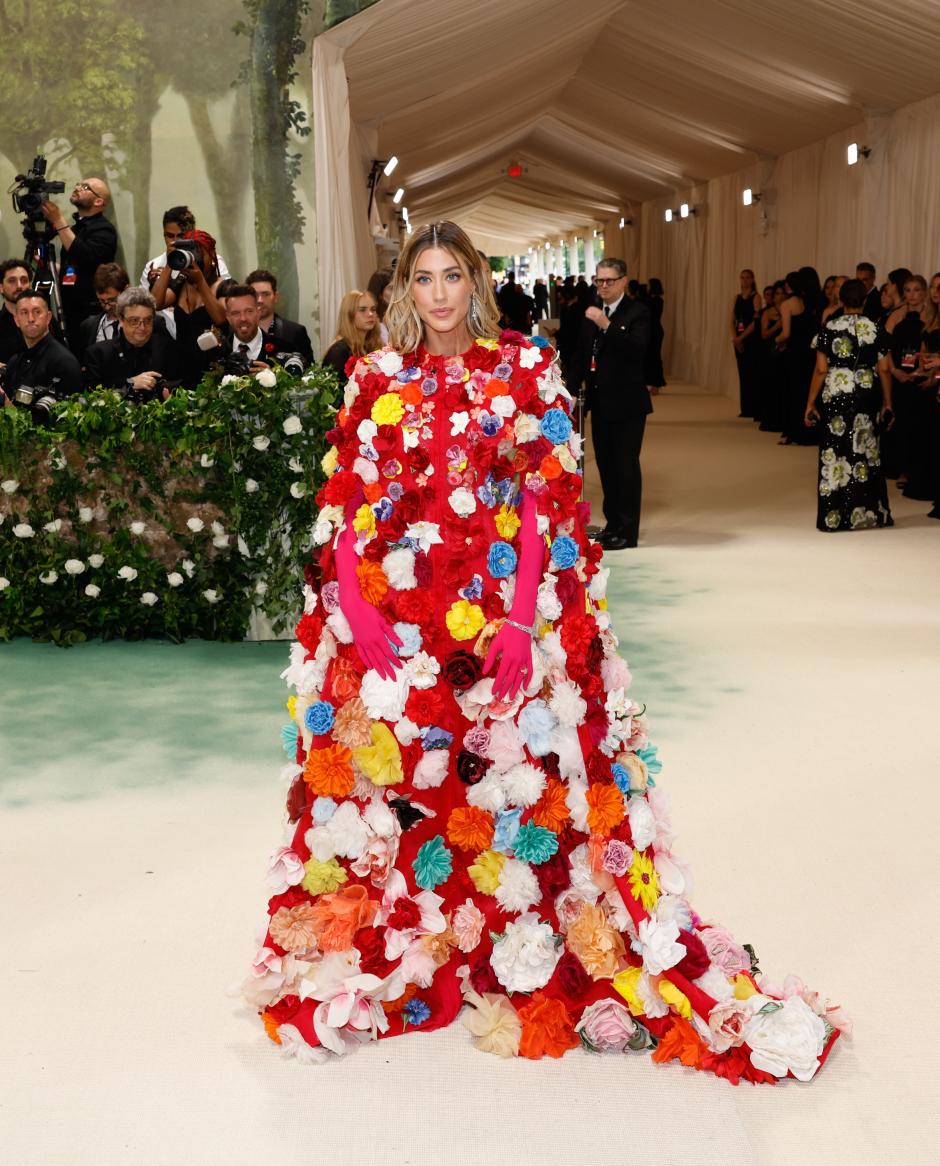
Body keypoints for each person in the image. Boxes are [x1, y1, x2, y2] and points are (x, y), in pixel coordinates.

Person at [241, 218, 844, 1081]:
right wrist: (352, 601)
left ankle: (515, 925)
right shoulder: (373, 375)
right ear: (403, 290)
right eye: (424, 278)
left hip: (498, 612)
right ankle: (428, 928)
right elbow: (351, 497)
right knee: (407, 768)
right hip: (404, 612)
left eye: (453, 276)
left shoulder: (522, 367)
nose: (439, 293)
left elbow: (545, 502)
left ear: (476, 284)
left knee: (518, 764)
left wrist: (524, 618)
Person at [804, 278, 893, 531]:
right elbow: (885, 370)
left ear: (840, 300)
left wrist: (810, 402)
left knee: (835, 451)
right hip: (866, 392)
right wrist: (888, 402)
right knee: (866, 450)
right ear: (865, 300)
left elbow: (821, 370)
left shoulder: (828, 328)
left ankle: (834, 517)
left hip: (836, 392)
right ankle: (870, 514)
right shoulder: (876, 329)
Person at [577, 257, 651, 549]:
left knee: (626, 467)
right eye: (599, 281)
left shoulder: (638, 312)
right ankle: (613, 524)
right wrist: (570, 387)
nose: (603, 286)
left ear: (623, 282)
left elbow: (637, 349)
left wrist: (607, 325)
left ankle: (628, 532)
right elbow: (584, 354)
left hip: (629, 403)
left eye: (609, 281)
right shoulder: (593, 313)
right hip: (601, 401)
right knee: (606, 466)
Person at [39, 177, 118, 351]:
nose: (78, 187)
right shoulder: (75, 229)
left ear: (99, 201)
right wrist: (51, 266)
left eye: (86, 187)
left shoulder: (105, 230)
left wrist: (58, 220)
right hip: (67, 311)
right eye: (79, 184)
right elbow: (74, 266)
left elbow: (85, 256)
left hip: (90, 313)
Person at [151, 229, 227, 387]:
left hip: (213, 370)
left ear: (212, 254)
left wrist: (200, 281)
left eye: (200, 253)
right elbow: (156, 303)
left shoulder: (223, 286)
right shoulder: (181, 284)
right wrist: (170, 264)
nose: (196, 258)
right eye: (191, 252)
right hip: (182, 368)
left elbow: (220, 319)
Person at [82, 288, 180, 397]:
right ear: (121, 320)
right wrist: (129, 383)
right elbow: (91, 395)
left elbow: (182, 383)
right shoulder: (98, 354)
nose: (142, 327)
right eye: (134, 321)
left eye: (148, 320)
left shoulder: (168, 348)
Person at [886, 275, 931, 499]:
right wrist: (895, 371)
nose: (912, 294)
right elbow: (884, 348)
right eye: (908, 290)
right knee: (902, 422)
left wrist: (918, 372)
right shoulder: (896, 316)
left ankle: (918, 470)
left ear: (924, 293)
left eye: (916, 290)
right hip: (899, 375)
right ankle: (903, 469)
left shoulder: (932, 316)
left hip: (924, 377)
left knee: (920, 425)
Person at [0, 290, 81, 403]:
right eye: (24, 313)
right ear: (16, 320)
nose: (31, 319)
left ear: (48, 317)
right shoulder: (14, 362)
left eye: (37, 312)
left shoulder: (64, 363)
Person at [139, 206, 231, 289]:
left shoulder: (213, 262)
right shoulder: (153, 265)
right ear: (164, 235)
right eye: (170, 236)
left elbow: (225, 298)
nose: (175, 241)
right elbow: (145, 303)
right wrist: (154, 285)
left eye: (181, 236)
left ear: (193, 234)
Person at [777, 270, 818, 446]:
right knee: (805, 392)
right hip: (809, 353)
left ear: (788, 285)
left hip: (793, 354)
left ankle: (792, 432)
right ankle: (808, 432)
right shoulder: (808, 302)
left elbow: (786, 333)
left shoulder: (787, 304)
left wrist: (775, 340)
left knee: (791, 393)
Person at [246, 269, 314, 368]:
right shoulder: (237, 333)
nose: (260, 300)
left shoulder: (296, 332)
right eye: (255, 295)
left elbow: (310, 374)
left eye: (266, 294)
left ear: (276, 296)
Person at [321, 289, 382, 379]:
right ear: (349, 315)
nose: (370, 314)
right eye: (362, 310)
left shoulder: (373, 346)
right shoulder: (339, 352)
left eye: (373, 309)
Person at [77, 263, 131, 354]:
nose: (107, 306)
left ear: (126, 290)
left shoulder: (141, 324)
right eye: (102, 301)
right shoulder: (89, 326)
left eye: (112, 300)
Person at [731, 269, 762, 419]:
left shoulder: (756, 297)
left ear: (752, 279)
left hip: (750, 338)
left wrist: (741, 337)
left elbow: (756, 322)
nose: (744, 280)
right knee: (742, 373)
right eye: (742, 277)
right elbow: (732, 319)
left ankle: (753, 408)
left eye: (747, 277)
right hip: (738, 339)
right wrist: (734, 337)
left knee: (751, 373)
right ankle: (745, 407)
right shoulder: (736, 298)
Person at [758, 280, 787, 432]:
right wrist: (778, 325)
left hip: (786, 352)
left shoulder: (790, 309)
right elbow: (764, 335)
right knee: (771, 385)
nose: (780, 296)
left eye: (783, 293)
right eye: (777, 293)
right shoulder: (768, 313)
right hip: (770, 352)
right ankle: (770, 419)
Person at [0, 259, 32, 362]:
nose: (19, 286)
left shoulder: (44, 319)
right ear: (1, 287)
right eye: (12, 281)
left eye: (24, 280)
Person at [644, 277, 666, 392]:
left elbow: (651, 315)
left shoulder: (654, 301)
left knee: (655, 357)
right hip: (654, 330)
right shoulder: (657, 300)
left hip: (654, 330)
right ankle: (653, 384)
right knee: (652, 356)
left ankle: (656, 384)